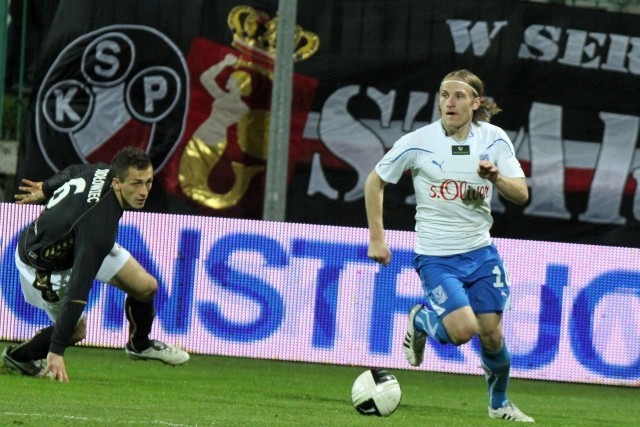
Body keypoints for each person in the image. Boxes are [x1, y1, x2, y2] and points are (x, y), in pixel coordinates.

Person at [364, 70, 534, 422]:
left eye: (458, 95)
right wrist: (377, 238)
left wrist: (496, 178)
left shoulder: (494, 139)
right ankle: (422, 319)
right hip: (436, 257)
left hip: (481, 253)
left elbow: (521, 194)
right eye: (444, 95)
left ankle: (499, 404)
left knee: (492, 336)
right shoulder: (419, 141)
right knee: (462, 331)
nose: (449, 102)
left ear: (475, 102)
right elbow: (375, 181)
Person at [1, 146, 189, 382]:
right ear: (117, 182)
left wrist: (46, 188)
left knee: (146, 287)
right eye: (136, 184)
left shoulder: (102, 171)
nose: (144, 191)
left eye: (148, 182)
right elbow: (77, 291)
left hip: (78, 242)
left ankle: (139, 345)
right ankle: (19, 357)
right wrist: (57, 350)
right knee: (76, 330)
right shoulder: (99, 228)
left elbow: (73, 171)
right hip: (46, 266)